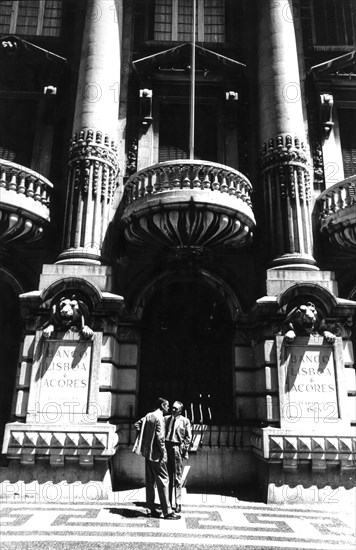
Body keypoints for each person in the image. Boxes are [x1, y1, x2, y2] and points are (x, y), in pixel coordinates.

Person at [134, 398, 181, 520]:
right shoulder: (159, 417)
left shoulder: (149, 415)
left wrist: (146, 440)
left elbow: (137, 425)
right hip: (157, 455)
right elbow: (160, 438)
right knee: (164, 480)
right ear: (162, 405)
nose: (169, 408)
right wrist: (163, 453)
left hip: (148, 454)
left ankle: (150, 509)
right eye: (167, 406)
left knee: (150, 483)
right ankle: (168, 512)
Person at [165, 401, 192, 513]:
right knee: (167, 477)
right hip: (167, 447)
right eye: (172, 408)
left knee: (177, 477)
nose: (173, 410)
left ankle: (178, 502)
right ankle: (168, 502)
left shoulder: (185, 421)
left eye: (176, 409)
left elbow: (188, 437)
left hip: (177, 448)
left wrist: (182, 449)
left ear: (180, 410)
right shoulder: (166, 419)